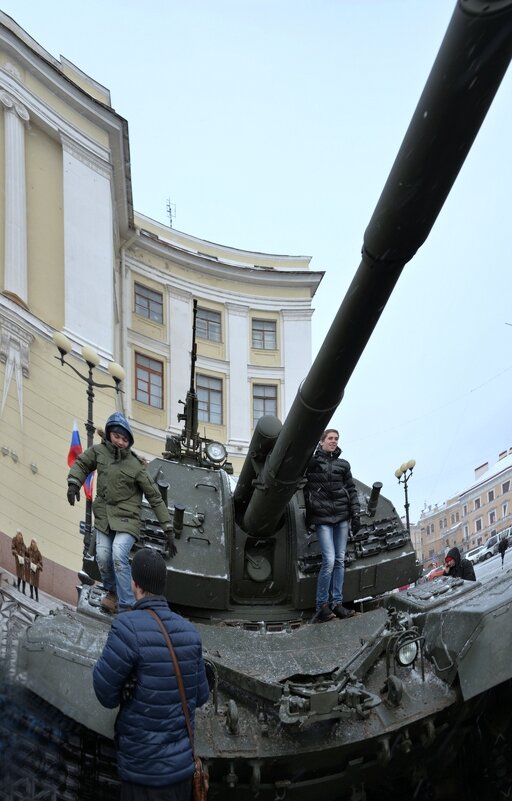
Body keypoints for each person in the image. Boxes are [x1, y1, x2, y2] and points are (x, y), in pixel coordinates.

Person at [93, 548, 210, 801]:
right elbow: (201, 696)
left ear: (134, 584)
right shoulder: (190, 633)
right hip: (180, 773)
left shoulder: (126, 627)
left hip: (142, 772)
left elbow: (105, 694)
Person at [67, 412, 177, 613]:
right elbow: (82, 464)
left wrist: (167, 528)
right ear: (109, 434)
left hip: (127, 520)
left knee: (118, 553)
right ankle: (112, 592)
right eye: (117, 436)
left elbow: (154, 496)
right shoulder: (99, 452)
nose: (120, 441)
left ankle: (127, 605)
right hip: (104, 518)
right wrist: (74, 483)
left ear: (129, 442)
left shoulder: (136, 465)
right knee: (102, 556)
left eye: (125, 439)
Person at [305, 428, 361, 623]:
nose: (334, 441)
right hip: (322, 518)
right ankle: (322, 605)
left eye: (336, 439)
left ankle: (337, 603)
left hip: (341, 517)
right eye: (330, 438)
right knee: (328, 561)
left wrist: (355, 513)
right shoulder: (312, 463)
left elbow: (351, 489)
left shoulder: (343, 465)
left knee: (339, 560)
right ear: (321, 441)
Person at [11, 529, 27, 594]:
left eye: (20, 534)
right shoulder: (14, 539)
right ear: (17, 533)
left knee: (23, 574)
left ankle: (23, 589)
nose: (20, 535)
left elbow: (25, 548)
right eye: (19, 533)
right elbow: (13, 548)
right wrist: (16, 554)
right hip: (18, 558)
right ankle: (19, 586)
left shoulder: (22, 541)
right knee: (19, 573)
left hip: (22, 559)